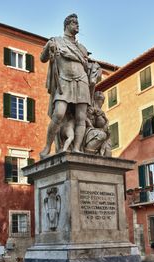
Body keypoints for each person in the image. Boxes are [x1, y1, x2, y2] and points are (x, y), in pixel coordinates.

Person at [39, 14, 91, 158]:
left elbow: (87, 66)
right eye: (74, 23)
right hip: (64, 81)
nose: (77, 25)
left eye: (77, 23)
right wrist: (49, 46)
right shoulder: (56, 41)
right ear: (66, 25)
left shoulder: (82, 48)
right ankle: (47, 147)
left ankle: (77, 149)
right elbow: (42, 58)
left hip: (82, 81)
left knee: (81, 117)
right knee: (59, 113)